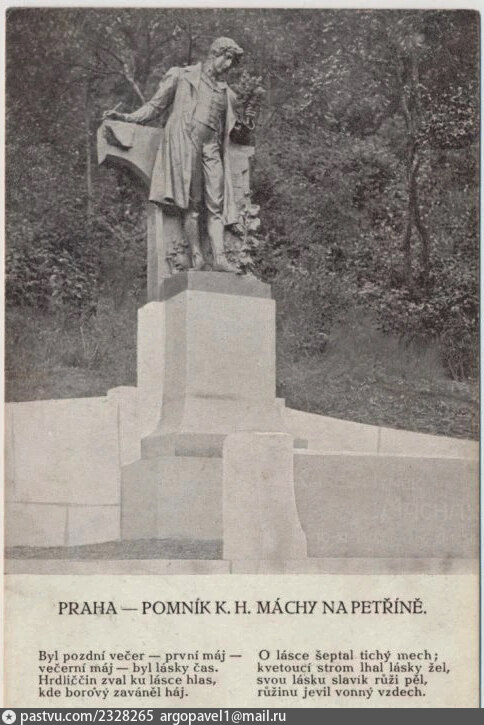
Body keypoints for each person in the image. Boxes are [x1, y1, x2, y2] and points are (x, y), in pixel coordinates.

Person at [104, 37, 253, 273]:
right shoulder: (182, 76)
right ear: (215, 54)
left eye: (232, 62)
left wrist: (248, 120)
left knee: (216, 204)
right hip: (186, 143)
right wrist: (127, 117)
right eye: (227, 59)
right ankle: (197, 257)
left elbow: (235, 132)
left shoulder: (228, 94)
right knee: (192, 204)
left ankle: (220, 258)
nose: (228, 66)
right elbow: (155, 106)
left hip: (212, 148)